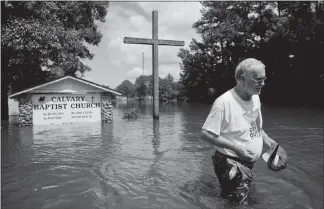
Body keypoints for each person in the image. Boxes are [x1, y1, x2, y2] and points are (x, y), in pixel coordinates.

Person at [201, 58, 278, 205]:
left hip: (246, 162)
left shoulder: (255, 97)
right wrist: (238, 149)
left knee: (235, 199)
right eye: (259, 80)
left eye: (264, 79)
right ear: (243, 79)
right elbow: (206, 133)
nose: (263, 84)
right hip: (230, 161)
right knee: (239, 204)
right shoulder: (223, 103)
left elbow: (254, 125)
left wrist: (266, 139)